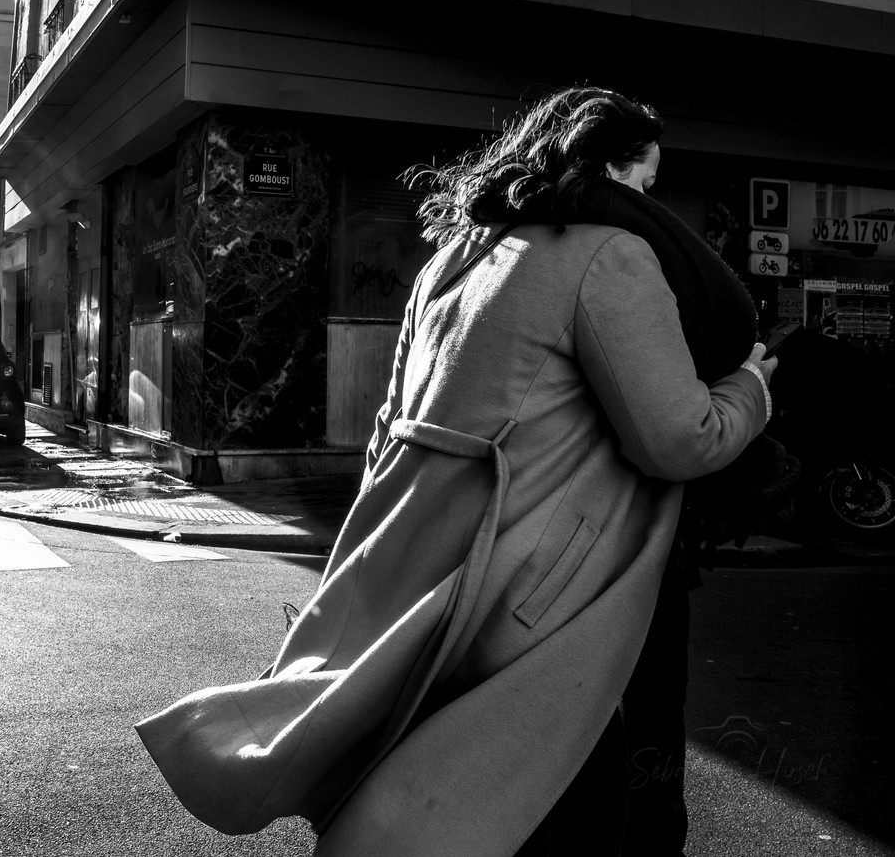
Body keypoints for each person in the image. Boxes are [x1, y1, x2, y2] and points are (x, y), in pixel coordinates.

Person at [135, 86, 777, 856]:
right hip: (548, 594)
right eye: (642, 183)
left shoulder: (450, 260)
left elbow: (387, 436)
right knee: (576, 807)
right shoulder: (610, 254)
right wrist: (751, 386)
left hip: (431, 574)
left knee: (435, 778)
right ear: (604, 171)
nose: (649, 203)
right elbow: (682, 438)